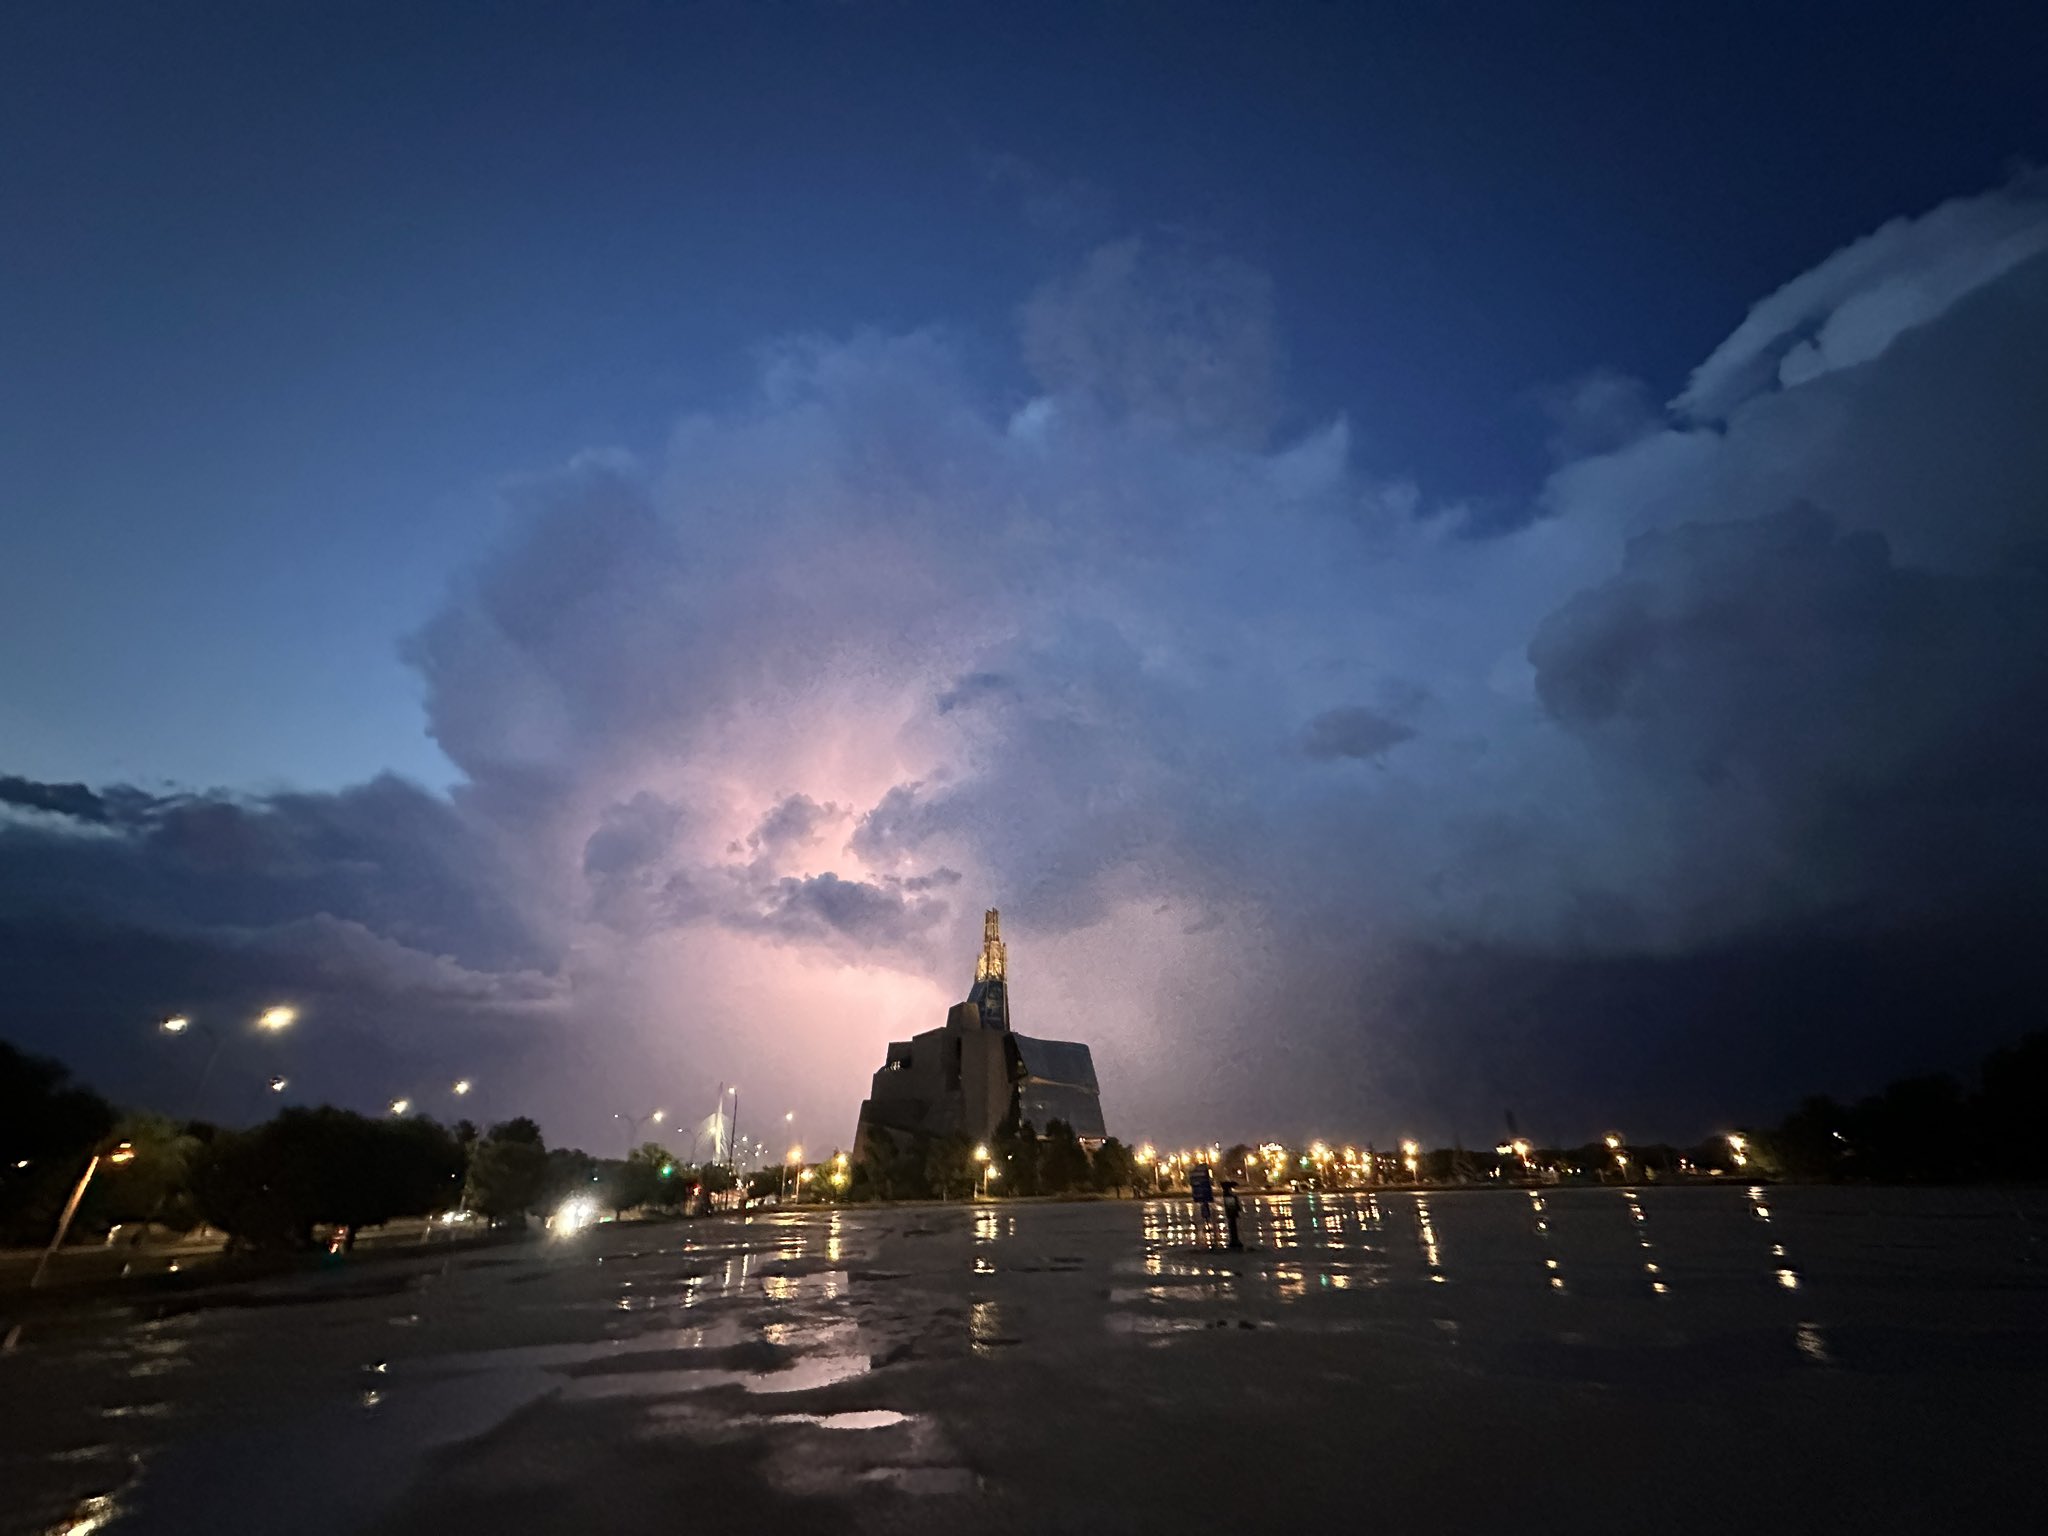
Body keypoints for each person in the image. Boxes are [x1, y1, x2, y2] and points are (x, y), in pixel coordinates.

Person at [1221, 1180, 1244, 1250]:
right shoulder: (1228, 1195)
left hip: (1231, 1213)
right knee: (1232, 1227)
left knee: (1232, 1227)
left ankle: (1234, 1240)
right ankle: (1234, 1241)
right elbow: (1231, 1204)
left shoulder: (1227, 1194)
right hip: (1231, 1213)